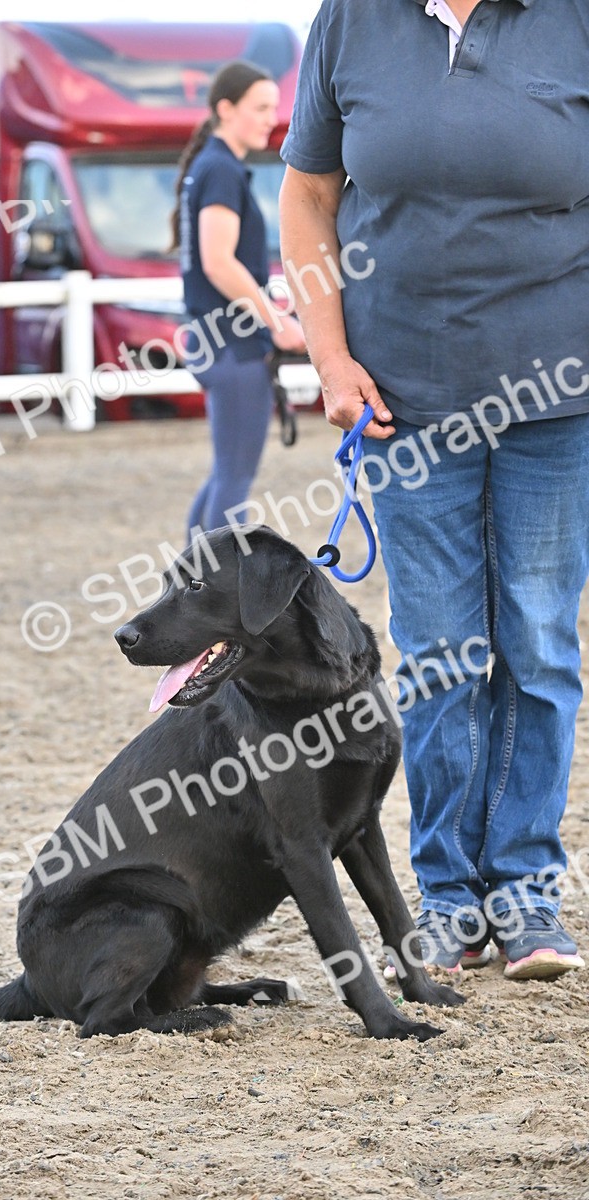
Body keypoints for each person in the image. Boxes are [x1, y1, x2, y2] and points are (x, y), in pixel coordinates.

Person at [279, 0, 589, 980]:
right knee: (439, 655)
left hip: (561, 400)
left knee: (537, 642)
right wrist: (331, 359)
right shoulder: (350, 18)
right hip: (403, 404)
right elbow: (307, 198)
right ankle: (448, 894)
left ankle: (525, 888)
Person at [170, 61, 306, 539]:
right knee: (235, 477)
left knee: (226, 472)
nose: (272, 118)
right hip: (233, 343)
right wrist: (277, 323)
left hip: (217, 339)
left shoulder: (213, 166)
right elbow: (218, 263)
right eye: (261, 108)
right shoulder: (221, 170)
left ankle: (192, 575)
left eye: (274, 107)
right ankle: (220, 581)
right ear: (226, 109)